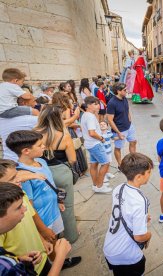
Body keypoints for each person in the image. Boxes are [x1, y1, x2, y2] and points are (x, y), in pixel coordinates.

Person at [0, 183, 74, 276]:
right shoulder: (4, 268)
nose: (25, 209)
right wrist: (60, 257)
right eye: (19, 207)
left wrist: (18, 259)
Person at [34, 105, 79, 243]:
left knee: (48, 204)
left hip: (40, 172)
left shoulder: (34, 133)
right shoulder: (63, 136)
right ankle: (71, 236)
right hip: (61, 173)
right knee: (67, 205)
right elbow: (72, 159)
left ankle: (52, 235)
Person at [103, 153, 153, 276]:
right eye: (148, 172)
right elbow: (139, 237)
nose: (150, 175)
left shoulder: (118, 188)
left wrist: (141, 218)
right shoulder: (140, 200)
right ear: (139, 177)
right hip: (126, 255)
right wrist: (149, 234)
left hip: (110, 248)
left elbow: (122, 211)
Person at [80, 96, 111, 193]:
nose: (98, 106)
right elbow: (92, 132)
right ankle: (99, 186)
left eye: (98, 104)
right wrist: (101, 138)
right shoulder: (90, 116)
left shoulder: (86, 115)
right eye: (95, 104)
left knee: (94, 164)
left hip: (89, 143)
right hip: (95, 144)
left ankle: (96, 184)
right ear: (89, 105)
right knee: (105, 163)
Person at [107, 82, 137, 167]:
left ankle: (133, 160)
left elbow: (127, 110)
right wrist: (118, 133)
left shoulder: (124, 98)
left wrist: (129, 120)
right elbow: (110, 120)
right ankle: (120, 165)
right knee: (118, 148)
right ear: (118, 91)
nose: (126, 91)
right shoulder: (112, 103)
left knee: (133, 142)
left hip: (129, 126)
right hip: (119, 130)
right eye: (124, 90)